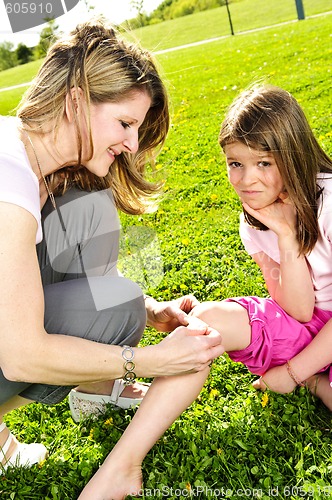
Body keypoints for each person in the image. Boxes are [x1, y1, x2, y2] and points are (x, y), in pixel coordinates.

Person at [77, 84, 332, 499]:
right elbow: (300, 311)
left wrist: (294, 373)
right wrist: (285, 236)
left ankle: (317, 383)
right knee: (204, 327)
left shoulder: (330, 201)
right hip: (306, 324)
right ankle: (121, 467)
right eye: (235, 163)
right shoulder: (254, 219)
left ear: (294, 153)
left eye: (264, 162)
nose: (247, 180)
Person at [0, 18, 225, 479]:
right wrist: (147, 361)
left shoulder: (35, 164)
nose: (131, 143)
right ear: (76, 100)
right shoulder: (9, 180)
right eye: (125, 123)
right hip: (11, 348)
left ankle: (97, 387)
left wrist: (146, 309)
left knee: (95, 229)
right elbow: (19, 354)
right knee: (106, 294)